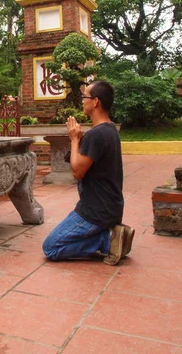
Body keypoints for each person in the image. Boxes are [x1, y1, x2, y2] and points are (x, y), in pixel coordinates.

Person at [42, 80, 134, 265]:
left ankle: (108, 240)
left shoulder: (96, 135)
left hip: (96, 211)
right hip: (110, 207)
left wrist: (74, 139)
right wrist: (81, 140)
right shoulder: (110, 130)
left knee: (51, 247)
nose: (82, 100)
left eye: (85, 96)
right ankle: (109, 234)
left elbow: (77, 172)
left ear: (96, 101)